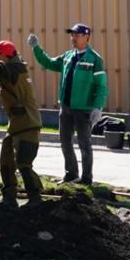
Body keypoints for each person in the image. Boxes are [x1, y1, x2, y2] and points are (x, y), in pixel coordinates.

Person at [27, 24, 108, 186]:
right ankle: (71, 174)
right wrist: (36, 48)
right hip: (66, 107)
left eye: (77, 35)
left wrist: (97, 107)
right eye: (72, 35)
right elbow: (49, 63)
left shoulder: (95, 59)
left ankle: (86, 179)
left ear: (86, 36)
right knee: (65, 142)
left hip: (84, 109)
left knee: (84, 144)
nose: (73, 38)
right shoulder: (68, 56)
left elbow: (101, 86)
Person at [0, 40, 43, 208]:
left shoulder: (16, 68)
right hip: (16, 124)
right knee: (6, 160)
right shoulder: (7, 71)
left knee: (24, 163)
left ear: (4, 55)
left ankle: (35, 198)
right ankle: (9, 197)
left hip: (28, 123)